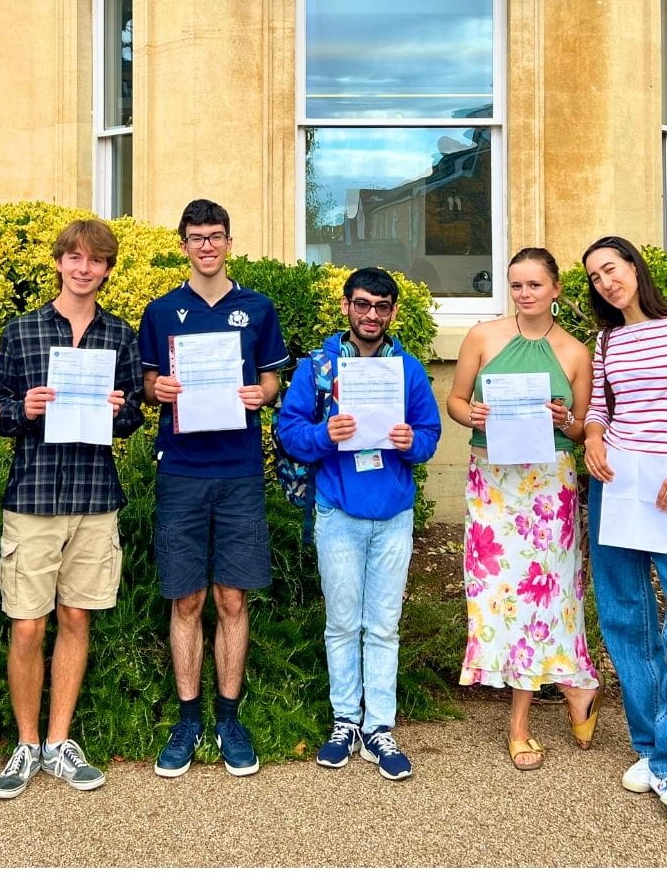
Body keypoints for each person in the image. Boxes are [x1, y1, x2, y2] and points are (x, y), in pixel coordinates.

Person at [0, 219, 143, 800]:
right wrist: (21, 408)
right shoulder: (22, 330)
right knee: (27, 624)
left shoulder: (120, 336)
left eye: (95, 261)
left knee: (77, 618)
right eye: (74, 257)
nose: (84, 268)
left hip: (94, 495)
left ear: (106, 270)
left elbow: (131, 419)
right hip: (32, 495)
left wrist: (118, 407)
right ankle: (25, 744)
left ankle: (58, 742)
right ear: (59, 263)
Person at [138, 199, 288, 778]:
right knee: (187, 599)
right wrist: (160, 390)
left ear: (230, 243)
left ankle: (228, 717)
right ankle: (188, 717)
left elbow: (272, 377)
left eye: (216, 236)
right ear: (183, 245)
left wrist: (263, 395)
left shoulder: (257, 308)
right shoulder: (161, 311)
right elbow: (149, 383)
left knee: (232, 598)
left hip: (239, 470)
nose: (207, 246)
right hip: (180, 470)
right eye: (196, 237)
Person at [277, 266, 441, 780]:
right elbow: (289, 431)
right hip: (338, 511)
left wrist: (410, 442)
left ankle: (380, 728)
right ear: (347, 305)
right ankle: (345, 721)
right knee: (343, 622)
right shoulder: (319, 368)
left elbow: (430, 433)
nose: (372, 314)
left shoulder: (408, 369)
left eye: (382, 306)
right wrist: (326, 434)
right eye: (363, 304)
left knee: (384, 624)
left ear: (393, 311)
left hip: (393, 514)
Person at [446, 247, 602, 771]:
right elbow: (456, 402)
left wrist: (565, 418)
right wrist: (475, 415)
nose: (525, 294)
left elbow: (583, 428)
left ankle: (526, 720)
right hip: (494, 483)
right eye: (516, 285)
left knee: (549, 597)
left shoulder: (577, 352)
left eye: (535, 285)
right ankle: (577, 684)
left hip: (547, 486)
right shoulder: (483, 336)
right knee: (498, 594)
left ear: (556, 289)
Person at [582, 235, 667, 803]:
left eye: (611, 269)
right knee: (624, 614)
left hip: (663, 482)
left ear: (634, 267)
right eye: (594, 277)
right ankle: (651, 745)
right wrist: (591, 437)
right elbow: (600, 407)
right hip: (615, 482)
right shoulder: (606, 340)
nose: (606, 282)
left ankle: (662, 752)